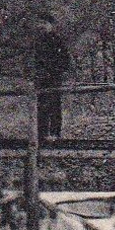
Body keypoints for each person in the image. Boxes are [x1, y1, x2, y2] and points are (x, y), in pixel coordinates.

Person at [31, 13, 74, 141]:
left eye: (44, 23)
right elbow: (35, 61)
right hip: (41, 79)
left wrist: (54, 71)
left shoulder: (57, 41)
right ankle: (42, 135)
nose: (41, 26)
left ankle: (55, 134)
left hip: (54, 79)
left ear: (51, 25)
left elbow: (65, 61)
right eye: (40, 23)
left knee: (54, 106)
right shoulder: (38, 42)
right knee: (41, 107)